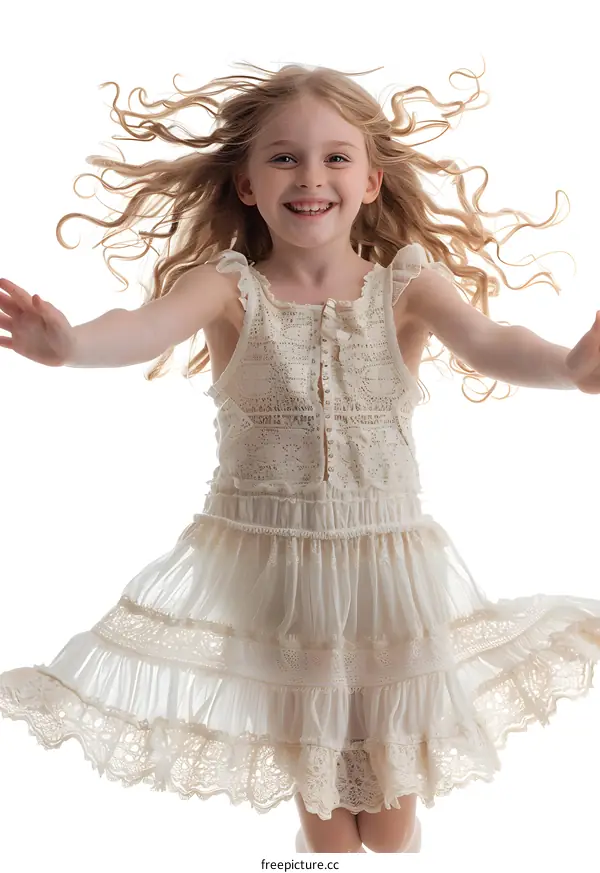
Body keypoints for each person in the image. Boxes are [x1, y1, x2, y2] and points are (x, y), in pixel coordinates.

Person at [1, 60, 600, 856]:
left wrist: (569, 366)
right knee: (328, 820)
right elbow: (141, 325)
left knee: (389, 822)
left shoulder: (408, 287)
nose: (310, 175)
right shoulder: (228, 288)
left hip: (388, 561)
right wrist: (72, 344)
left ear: (372, 181)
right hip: (268, 564)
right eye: (284, 157)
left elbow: (494, 341)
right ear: (247, 185)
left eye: (334, 157)